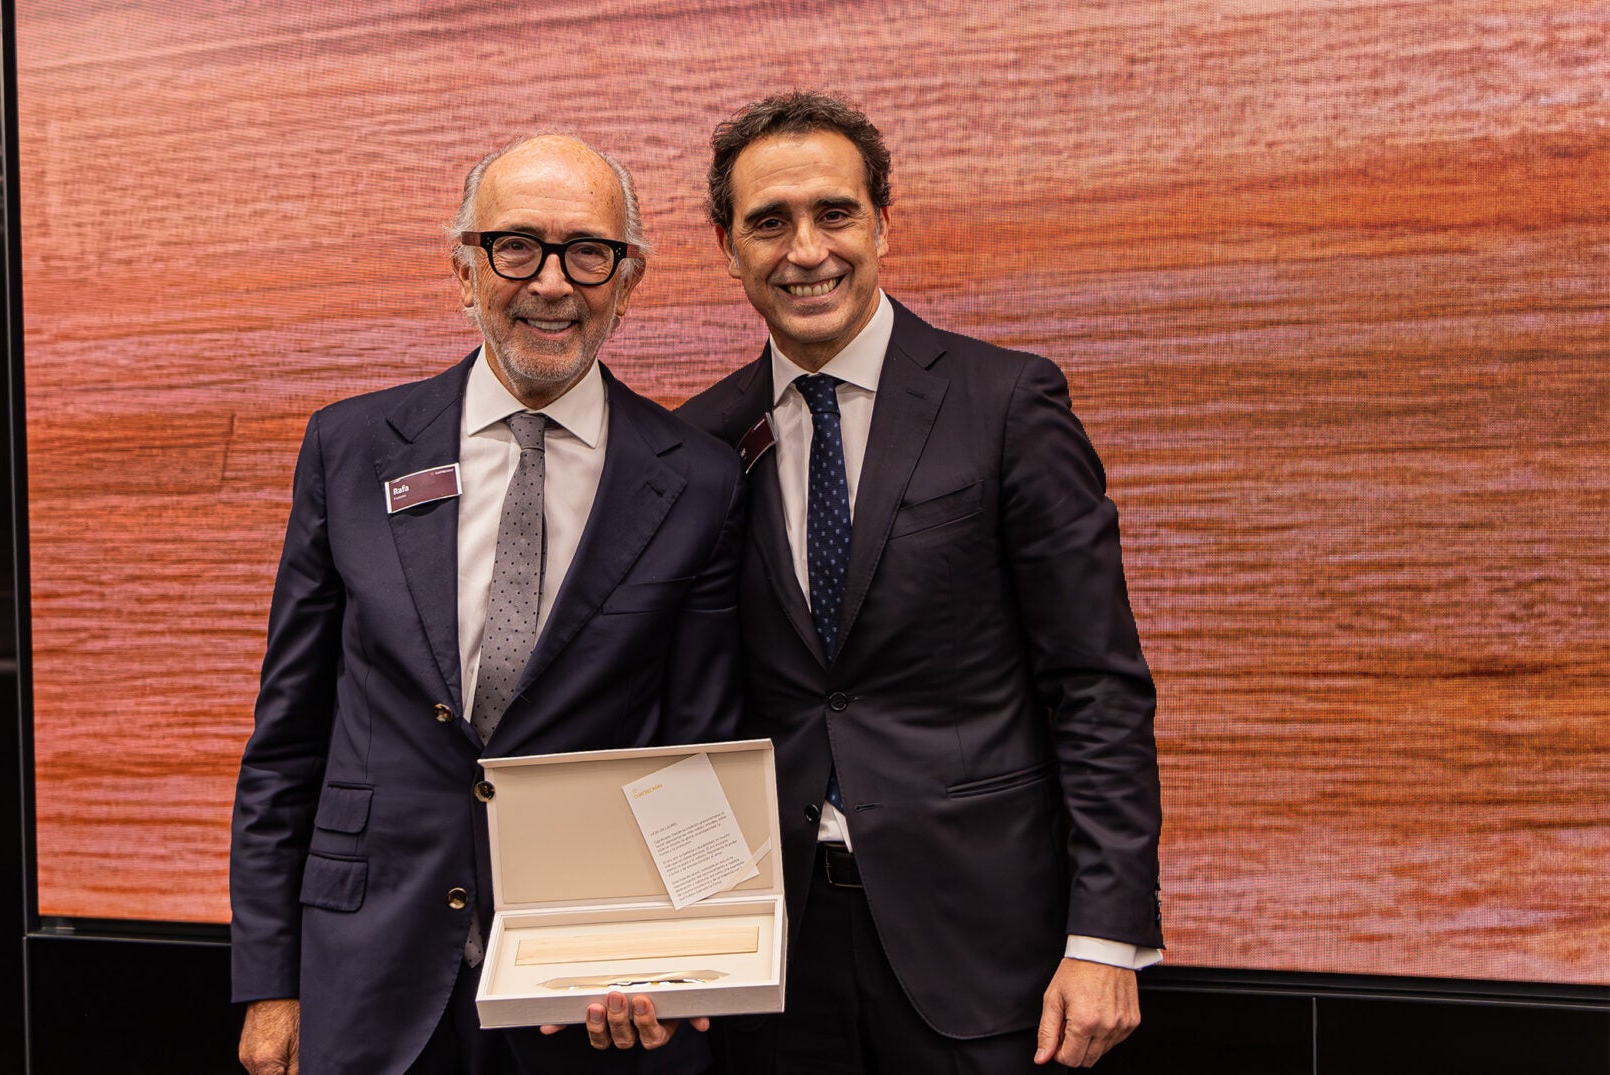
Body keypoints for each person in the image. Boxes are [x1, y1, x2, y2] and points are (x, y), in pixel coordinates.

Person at [230, 134, 744, 1075]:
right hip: (366, 969)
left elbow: (696, 752)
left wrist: (679, 968)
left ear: (629, 280)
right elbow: (288, 738)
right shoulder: (351, 449)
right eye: (516, 246)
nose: (551, 282)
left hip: (582, 988)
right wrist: (271, 979)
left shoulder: (698, 483)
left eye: (588, 252)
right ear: (464, 267)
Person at [674, 92, 1164, 1073]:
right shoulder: (698, 442)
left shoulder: (1007, 403)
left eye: (834, 213)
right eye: (769, 222)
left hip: (984, 946)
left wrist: (1108, 935)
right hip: (772, 961)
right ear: (727, 246)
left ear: (883, 224)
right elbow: (686, 711)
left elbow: (1097, 686)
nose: (806, 250)